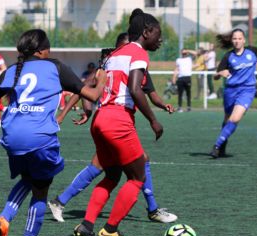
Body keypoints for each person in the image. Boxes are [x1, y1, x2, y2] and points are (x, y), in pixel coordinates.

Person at [0, 29, 106, 236]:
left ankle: (4, 218)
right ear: (42, 51)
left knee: (29, 177)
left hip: (13, 137)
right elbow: (92, 96)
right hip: (40, 137)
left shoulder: (12, 70)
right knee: (41, 189)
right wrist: (101, 81)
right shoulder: (55, 66)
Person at [48, 32, 177, 225]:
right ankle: (145, 213)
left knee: (104, 169)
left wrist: (162, 105)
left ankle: (63, 203)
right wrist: (65, 113)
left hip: (111, 123)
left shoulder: (136, 67)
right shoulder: (108, 65)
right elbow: (83, 87)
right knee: (135, 167)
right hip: (114, 124)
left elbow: (150, 93)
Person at [70, 8, 164, 236]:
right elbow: (135, 88)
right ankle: (110, 229)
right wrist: (153, 120)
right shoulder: (138, 53)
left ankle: (87, 226)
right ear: (146, 32)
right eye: (157, 34)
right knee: (137, 178)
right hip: (118, 120)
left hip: (100, 118)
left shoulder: (116, 53)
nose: (160, 39)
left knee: (112, 175)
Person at [209, 29, 257, 158]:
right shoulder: (228, 56)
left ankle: (217, 146)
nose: (237, 41)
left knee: (235, 119)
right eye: (234, 39)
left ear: (244, 40)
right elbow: (216, 76)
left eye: (239, 38)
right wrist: (220, 73)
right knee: (227, 119)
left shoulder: (252, 52)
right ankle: (223, 143)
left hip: (247, 90)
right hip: (230, 91)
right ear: (231, 40)